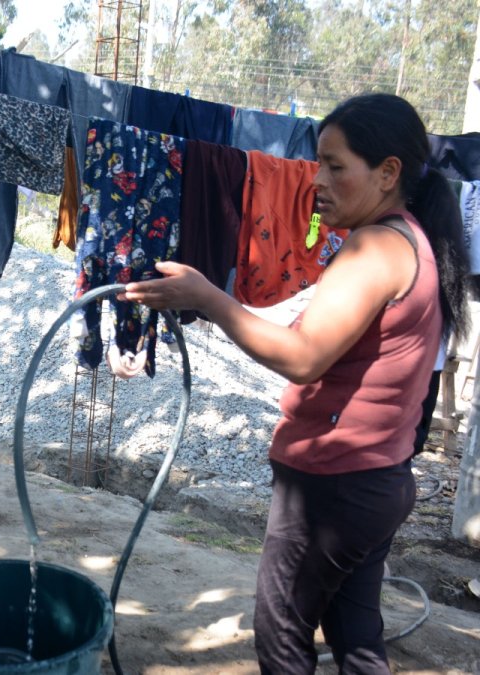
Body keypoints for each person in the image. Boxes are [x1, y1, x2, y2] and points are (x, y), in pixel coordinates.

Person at [123, 93, 475, 673]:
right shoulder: (413, 239)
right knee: (356, 632)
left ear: (389, 173)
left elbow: (305, 357)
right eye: (319, 163)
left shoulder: (376, 248)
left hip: (333, 488)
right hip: (376, 480)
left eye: (337, 167)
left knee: (282, 629)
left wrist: (208, 298)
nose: (318, 180)